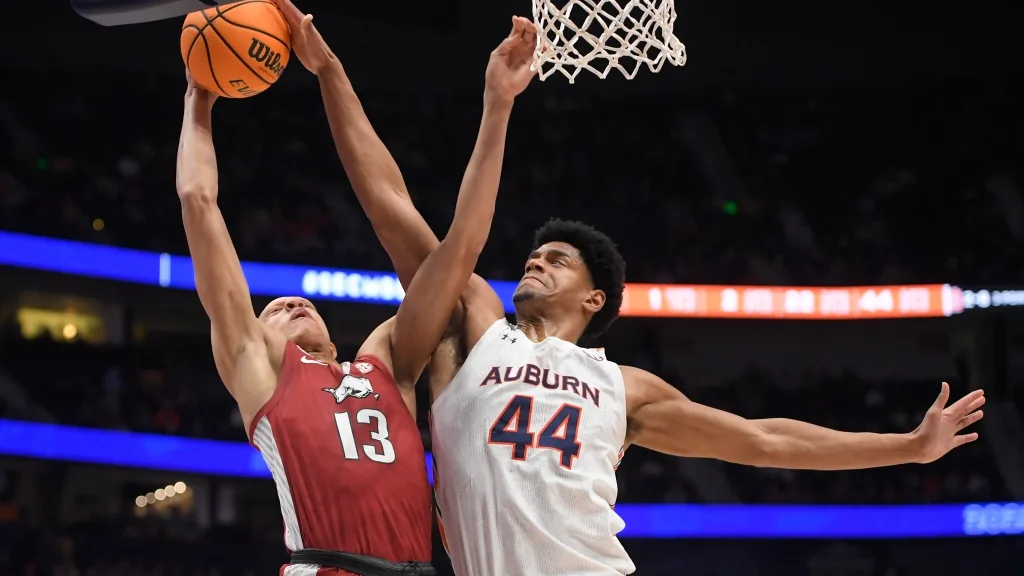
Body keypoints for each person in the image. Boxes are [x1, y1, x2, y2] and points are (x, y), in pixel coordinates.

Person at [279, 3, 986, 576]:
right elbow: (387, 204)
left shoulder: (626, 388)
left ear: (595, 300)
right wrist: (331, 73)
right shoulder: (474, 328)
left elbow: (766, 441)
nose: (536, 263)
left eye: (558, 260)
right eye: (534, 254)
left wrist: (906, 447)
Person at [174, 13, 536, 573]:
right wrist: (199, 95)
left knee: (458, 277)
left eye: (303, 303)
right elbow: (199, 202)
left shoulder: (385, 363)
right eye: (275, 309)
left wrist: (329, 70)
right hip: (327, 566)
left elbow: (458, 245)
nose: (294, 303)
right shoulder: (258, 366)